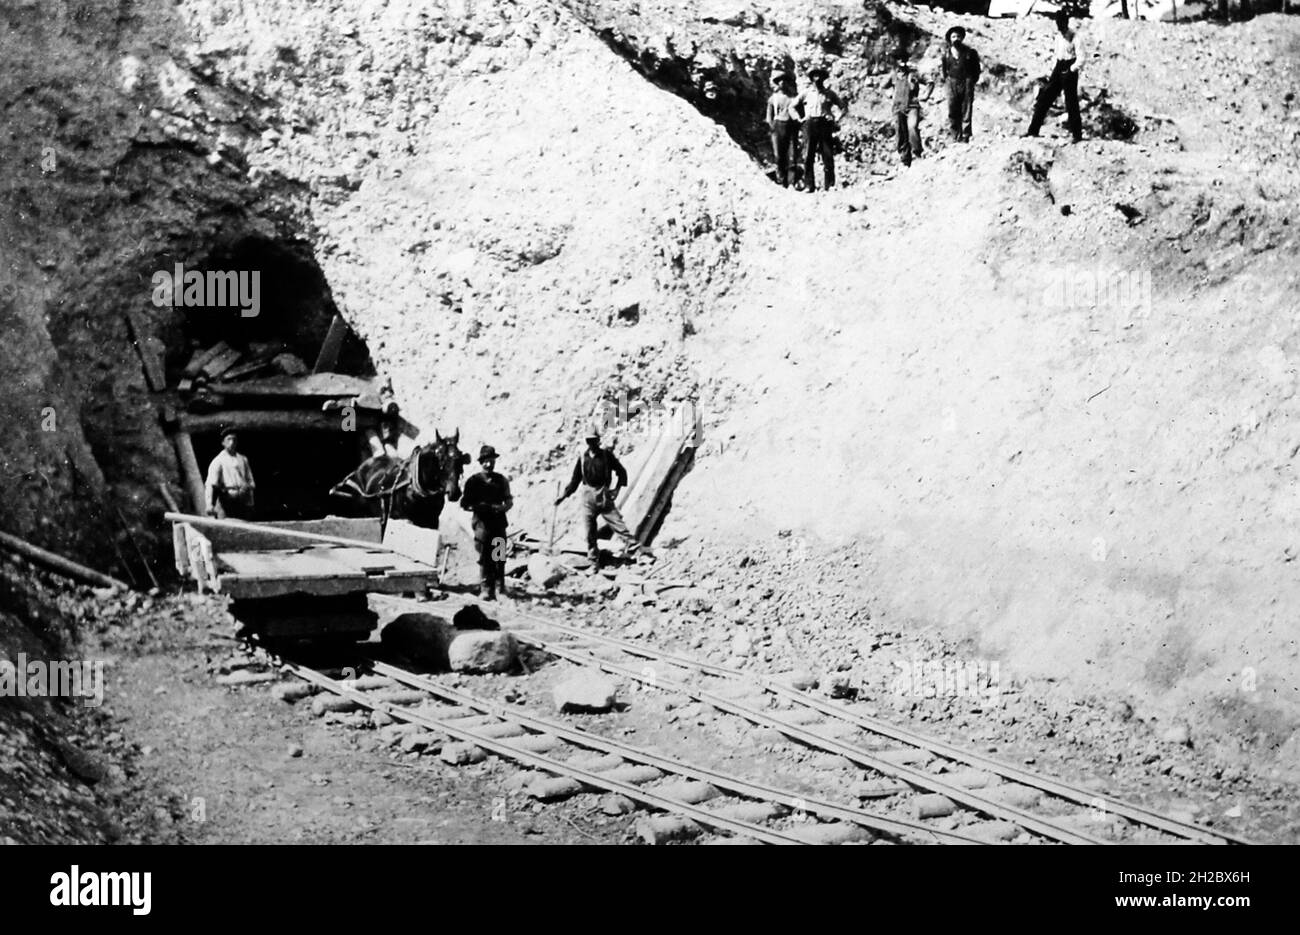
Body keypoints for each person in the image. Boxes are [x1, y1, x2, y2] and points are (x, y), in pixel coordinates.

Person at [555, 428, 643, 570]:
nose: (591, 443)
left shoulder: (606, 456)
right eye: (588, 440)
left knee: (618, 524)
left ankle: (637, 552)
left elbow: (622, 472)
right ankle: (593, 561)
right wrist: (564, 496)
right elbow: (575, 480)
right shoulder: (583, 457)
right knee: (590, 531)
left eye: (593, 440)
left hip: (603, 495)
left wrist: (617, 489)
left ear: (598, 440)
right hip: (587, 496)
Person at [461, 445, 513, 601]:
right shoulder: (473, 481)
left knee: (499, 556)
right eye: (486, 461)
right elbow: (464, 504)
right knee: (484, 557)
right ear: (481, 462)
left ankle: (499, 588)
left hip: (498, 523)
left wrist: (503, 507)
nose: (489, 464)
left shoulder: (501, 480)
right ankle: (485, 588)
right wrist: (479, 507)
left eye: (491, 461)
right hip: (482, 524)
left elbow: (509, 500)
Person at [1024, 11, 1083, 143]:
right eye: (1058, 24)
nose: (1060, 27)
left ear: (1066, 23)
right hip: (1059, 66)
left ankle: (1077, 135)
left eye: (1062, 24)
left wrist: (1071, 70)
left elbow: (1081, 58)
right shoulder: (1058, 37)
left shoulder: (1074, 37)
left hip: (1070, 67)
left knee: (1071, 102)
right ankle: (1033, 130)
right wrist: (1054, 71)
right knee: (1045, 98)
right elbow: (1057, 55)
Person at [791, 67, 847, 192]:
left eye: (820, 76)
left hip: (825, 125)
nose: (817, 78)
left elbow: (843, 107)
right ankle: (809, 185)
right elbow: (792, 107)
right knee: (808, 156)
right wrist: (800, 119)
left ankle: (830, 185)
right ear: (811, 79)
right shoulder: (806, 93)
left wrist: (835, 118)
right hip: (810, 124)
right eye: (814, 76)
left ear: (823, 78)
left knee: (827, 155)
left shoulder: (829, 93)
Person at [941, 26, 980, 143]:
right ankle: (955, 135)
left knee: (966, 109)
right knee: (953, 109)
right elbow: (944, 71)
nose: (956, 39)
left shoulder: (970, 53)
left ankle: (966, 135)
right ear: (950, 39)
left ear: (962, 38)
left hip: (967, 81)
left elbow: (976, 69)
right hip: (952, 82)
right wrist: (948, 82)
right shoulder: (946, 55)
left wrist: (971, 81)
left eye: (958, 36)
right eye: (953, 36)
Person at [205, 428, 255, 519]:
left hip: (242, 499)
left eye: (234, 439)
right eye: (229, 439)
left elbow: (251, 481)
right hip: (226, 498)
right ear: (223, 443)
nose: (232, 442)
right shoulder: (218, 461)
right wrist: (209, 504)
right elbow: (211, 484)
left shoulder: (243, 459)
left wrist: (248, 491)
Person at [766, 71, 800, 188]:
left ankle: (792, 182)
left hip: (791, 127)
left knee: (792, 155)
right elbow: (768, 117)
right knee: (779, 155)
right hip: (778, 126)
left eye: (785, 80)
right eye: (780, 81)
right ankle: (781, 180)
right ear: (777, 83)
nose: (783, 83)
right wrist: (773, 128)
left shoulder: (793, 98)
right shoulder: (773, 99)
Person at [891, 56, 928, 167]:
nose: (902, 63)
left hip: (912, 106)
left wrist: (925, 95)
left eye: (904, 60)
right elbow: (884, 85)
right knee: (900, 133)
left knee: (912, 128)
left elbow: (929, 82)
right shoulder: (894, 75)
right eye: (900, 60)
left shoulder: (914, 74)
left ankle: (917, 153)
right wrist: (892, 94)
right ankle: (905, 160)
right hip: (898, 108)